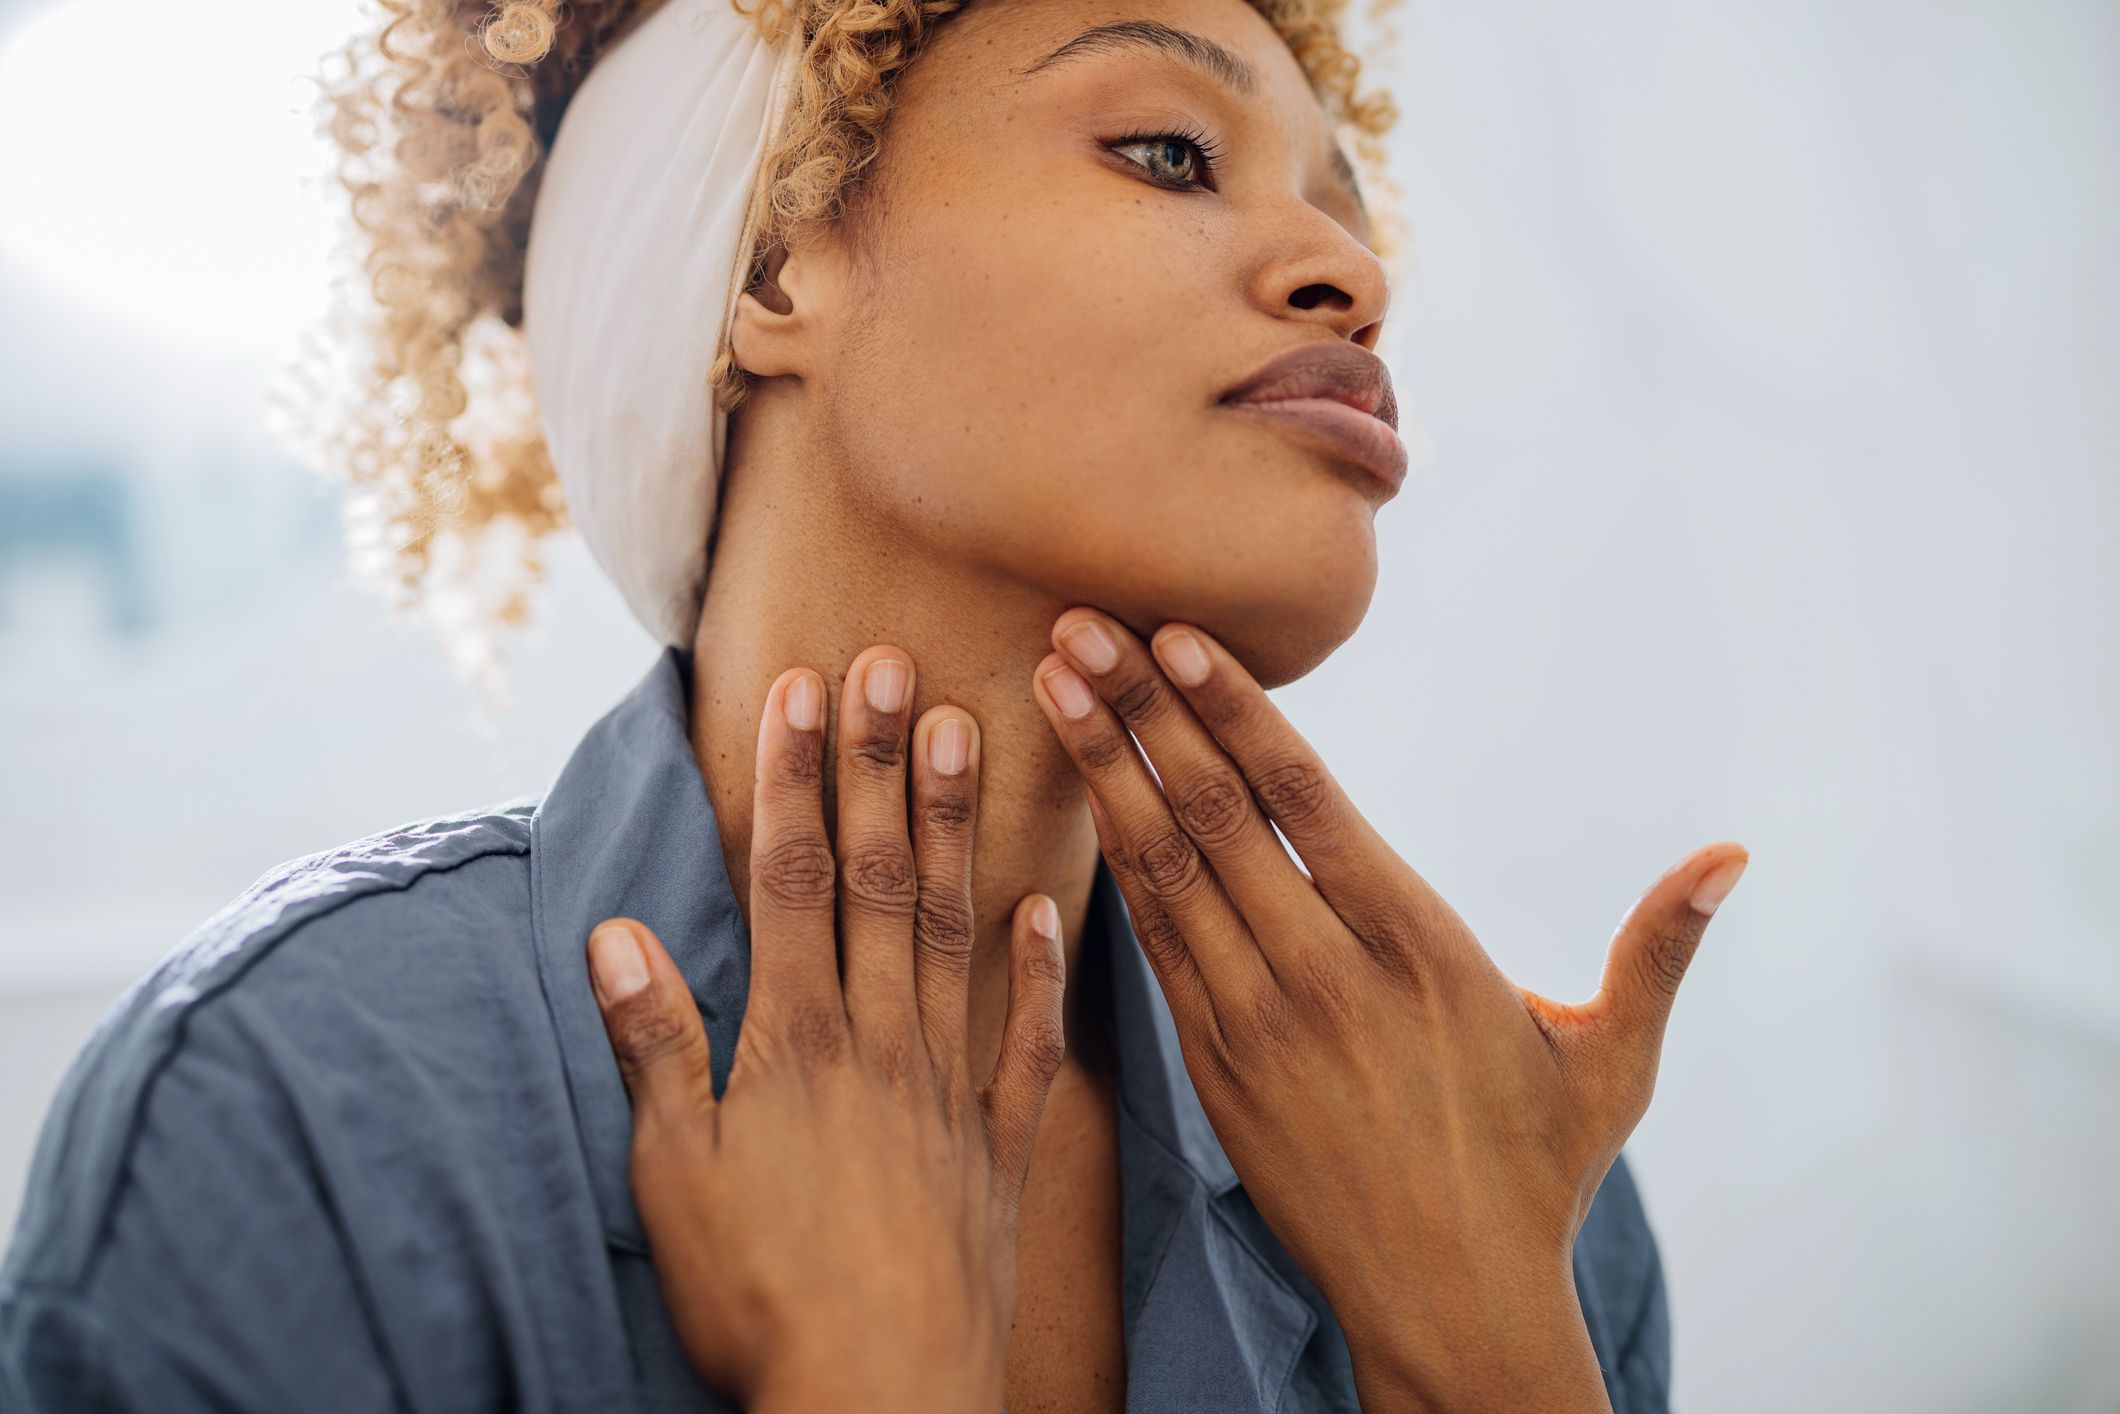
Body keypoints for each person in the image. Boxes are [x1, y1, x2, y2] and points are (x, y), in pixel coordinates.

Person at [0, 0, 1746, 1409]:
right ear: (775, 269)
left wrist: (1500, 1362)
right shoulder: (295, 1110)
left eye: (1348, 217)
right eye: (1169, 151)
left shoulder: (1512, 1190)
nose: (1351, 279)